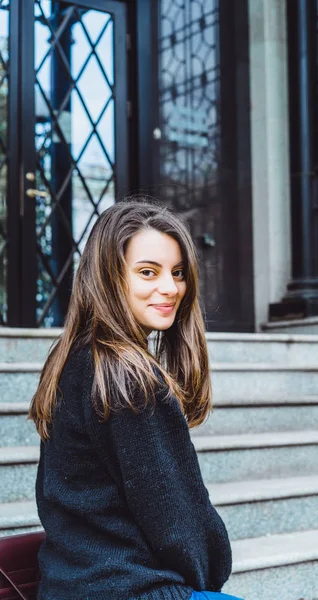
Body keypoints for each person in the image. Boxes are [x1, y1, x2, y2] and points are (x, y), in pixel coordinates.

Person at [29, 200, 243, 600]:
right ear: (108, 278)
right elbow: (176, 522)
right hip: (132, 590)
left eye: (178, 273)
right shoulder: (129, 378)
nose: (171, 288)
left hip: (71, 585)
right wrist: (210, 569)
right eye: (148, 272)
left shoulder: (73, 358)